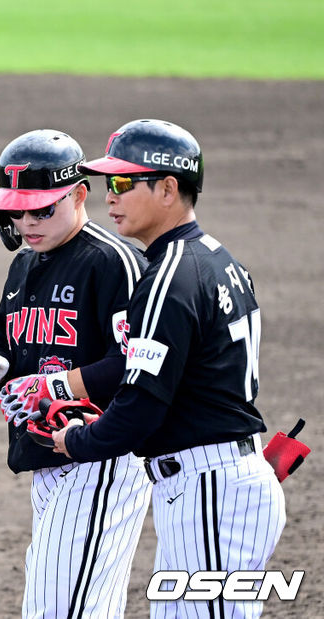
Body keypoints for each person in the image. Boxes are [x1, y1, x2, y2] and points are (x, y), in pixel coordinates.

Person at [50, 119, 286, 618]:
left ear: (168, 188)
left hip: (211, 492)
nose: (107, 197)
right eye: (105, 184)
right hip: (223, 482)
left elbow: (141, 406)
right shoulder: (216, 259)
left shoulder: (169, 276)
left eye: (121, 183)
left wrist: (78, 441)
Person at [0, 129, 151, 618]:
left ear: (79, 194)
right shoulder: (24, 265)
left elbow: (135, 364)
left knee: (57, 608)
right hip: (45, 454)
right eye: (17, 210)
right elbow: (8, 343)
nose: (27, 222)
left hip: (99, 455)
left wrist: (54, 385)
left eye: (42, 210)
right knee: (84, 604)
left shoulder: (112, 263)